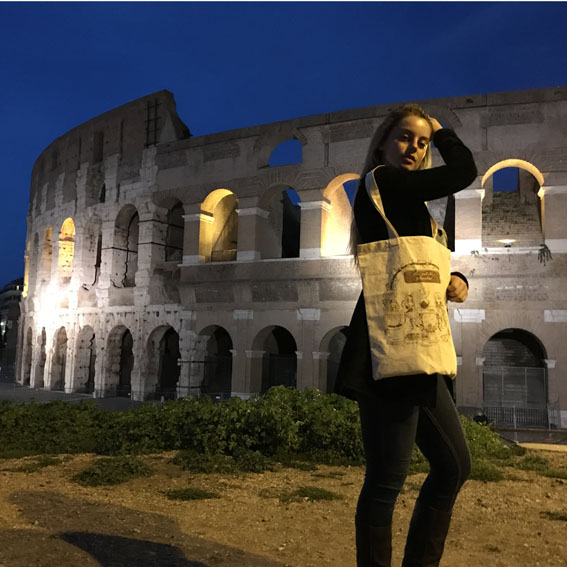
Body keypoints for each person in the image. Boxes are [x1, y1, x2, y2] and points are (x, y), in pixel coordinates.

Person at [335, 103, 478, 567]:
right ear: (382, 143)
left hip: (419, 351)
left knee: (454, 466)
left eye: (421, 142)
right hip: (387, 348)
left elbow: (418, 266)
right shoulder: (384, 182)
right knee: (385, 481)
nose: (415, 148)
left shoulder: (410, 204)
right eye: (405, 137)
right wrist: (441, 130)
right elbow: (464, 172)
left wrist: (456, 280)